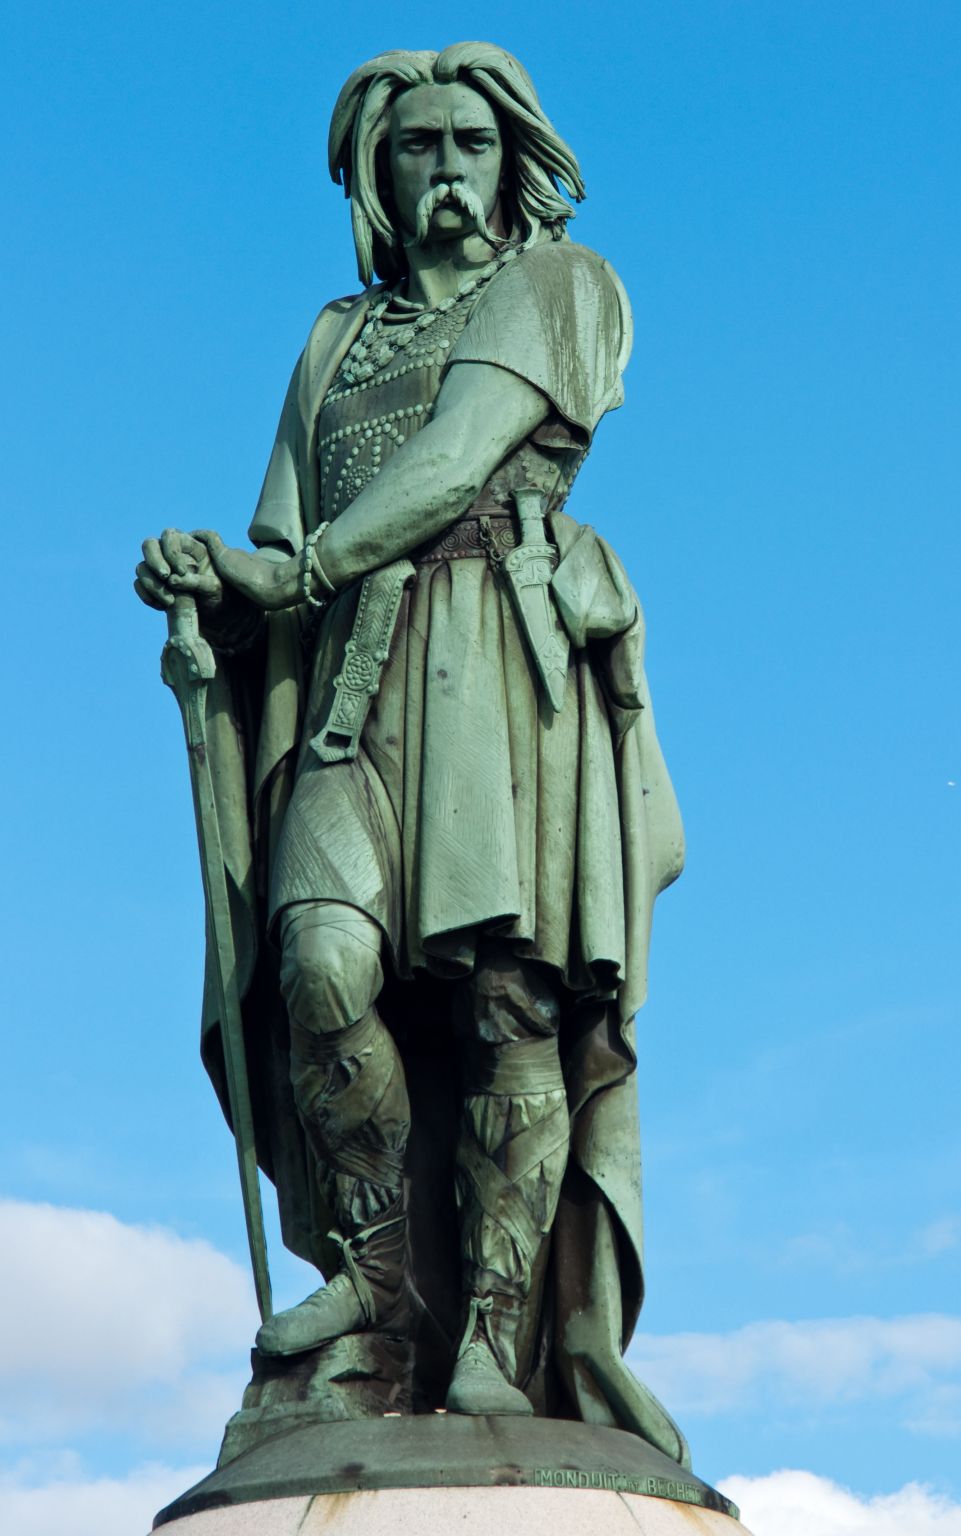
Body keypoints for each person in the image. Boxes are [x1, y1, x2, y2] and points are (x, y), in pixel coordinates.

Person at [136, 42, 686, 1459]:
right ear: (380, 175)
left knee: (509, 1003)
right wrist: (215, 579)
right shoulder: (334, 339)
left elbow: (452, 461)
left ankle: (498, 1333)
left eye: (469, 145)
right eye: (418, 149)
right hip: (347, 682)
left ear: (513, 162)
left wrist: (295, 572)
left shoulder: (560, 289)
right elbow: (280, 540)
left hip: (496, 664)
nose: (446, 171)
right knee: (317, 959)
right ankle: (377, 1292)